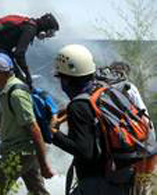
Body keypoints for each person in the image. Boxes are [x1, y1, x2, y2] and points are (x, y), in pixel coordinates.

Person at [50, 44, 135, 194]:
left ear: (67, 80)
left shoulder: (79, 106)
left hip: (97, 183)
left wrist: (53, 134)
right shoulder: (104, 93)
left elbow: (85, 152)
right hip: (122, 177)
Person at [0, 52, 53, 195]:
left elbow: (34, 128)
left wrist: (44, 165)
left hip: (19, 153)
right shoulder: (7, 90)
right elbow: (2, 118)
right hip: (26, 151)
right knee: (37, 191)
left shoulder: (16, 94)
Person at [0, 13, 60, 86]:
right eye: (50, 32)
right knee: (20, 82)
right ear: (44, 29)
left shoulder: (28, 24)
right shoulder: (30, 29)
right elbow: (19, 54)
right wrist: (27, 75)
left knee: (18, 80)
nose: (48, 36)